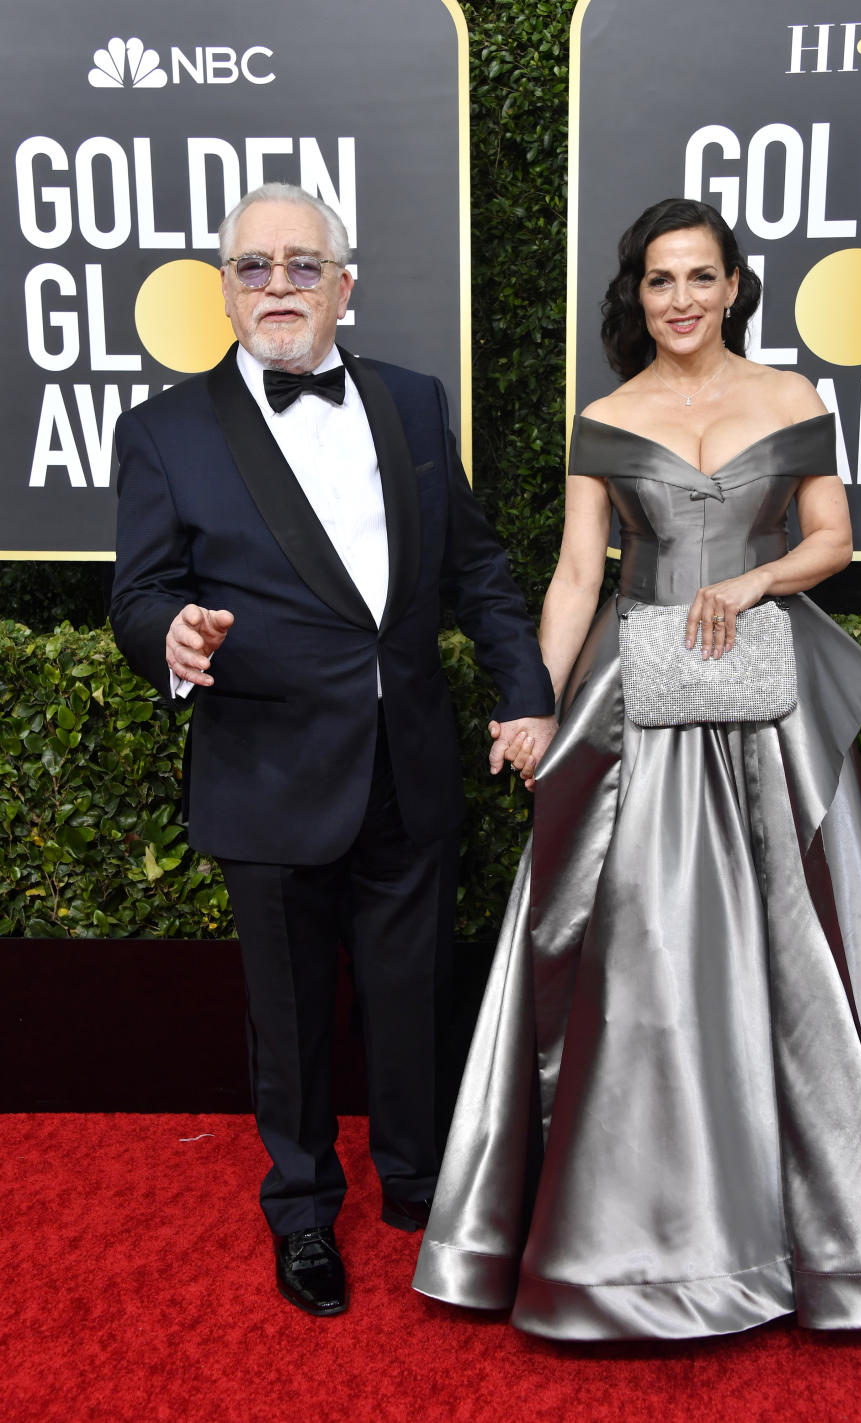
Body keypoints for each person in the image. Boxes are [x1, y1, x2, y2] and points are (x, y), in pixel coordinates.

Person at [414, 197, 861, 1339]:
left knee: (793, 941)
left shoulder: (792, 397)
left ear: (734, 285)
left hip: (764, 689)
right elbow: (574, 576)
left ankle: (821, 1221)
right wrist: (535, 704)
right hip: (639, 692)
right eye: (660, 281)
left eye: (700, 277)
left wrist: (754, 581)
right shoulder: (607, 416)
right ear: (639, 293)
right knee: (643, 945)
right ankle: (643, 1221)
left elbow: (832, 538)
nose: (681, 300)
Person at [109, 182, 557, 1318]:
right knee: (292, 1016)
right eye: (253, 267)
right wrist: (170, 632)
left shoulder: (411, 403)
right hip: (266, 772)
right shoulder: (163, 430)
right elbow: (141, 592)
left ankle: (418, 1186)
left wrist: (525, 690)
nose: (277, 287)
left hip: (408, 762)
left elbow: (477, 570)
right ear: (223, 290)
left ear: (344, 286)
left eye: (302, 265)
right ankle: (304, 1209)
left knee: (414, 995)